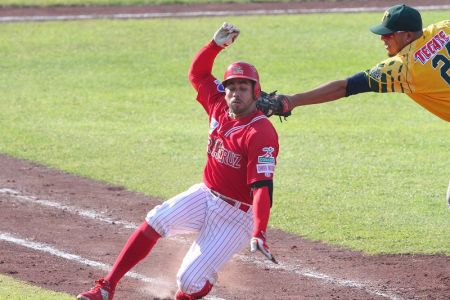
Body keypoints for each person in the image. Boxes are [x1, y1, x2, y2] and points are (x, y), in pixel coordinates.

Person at [77, 22, 280, 300]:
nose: (236, 92)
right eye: (232, 86)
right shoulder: (218, 104)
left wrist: (259, 230)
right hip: (206, 194)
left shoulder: (261, 133)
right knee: (156, 219)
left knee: (189, 282)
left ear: (256, 92)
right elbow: (197, 74)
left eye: (244, 87)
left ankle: (198, 281)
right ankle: (106, 287)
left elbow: (262, 188)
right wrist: (214, 46)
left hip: (237, 215)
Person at [262, 4, 450, 122]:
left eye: (388, 34)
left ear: (408, 35)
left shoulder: (402, 68)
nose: (382, 39)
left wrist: (293, 101)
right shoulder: (442, 28)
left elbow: (345, 87)